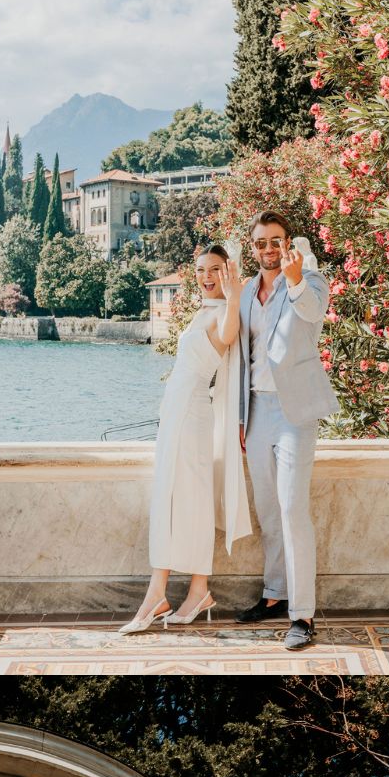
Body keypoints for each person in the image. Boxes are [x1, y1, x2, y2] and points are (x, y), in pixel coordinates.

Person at [119, 246, 251, 635]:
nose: (206, 276)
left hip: (192, 417)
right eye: (200, 270)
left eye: (215, 270)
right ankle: (191, 591)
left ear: (228, 273)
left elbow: (228, 336)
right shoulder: (202, 311)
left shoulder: (224, 312)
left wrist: (234, 296)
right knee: (175, 500)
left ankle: (165, 593)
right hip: (177, 415)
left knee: (186, 501)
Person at [234, 212, 337, 651]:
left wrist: (295, 279)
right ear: (252, 247)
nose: (268, 249)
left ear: (288, 242)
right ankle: (275, 595)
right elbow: (243, 356)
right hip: (257, 411)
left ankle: (303, 615)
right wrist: (241, 417)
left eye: (276, 241)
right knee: (269, 511)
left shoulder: (310, 281)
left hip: (295, 413)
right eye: (261, 243)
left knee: (294, 511)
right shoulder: (244, 293)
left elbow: (314, 314)